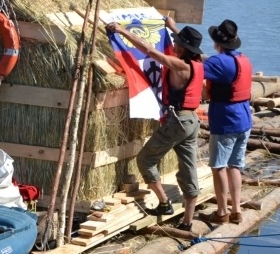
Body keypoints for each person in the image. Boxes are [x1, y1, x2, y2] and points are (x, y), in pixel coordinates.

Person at [108, 18, 204, 231]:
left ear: (184, 48)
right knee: (188, 170)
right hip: (191, 121)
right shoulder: (199, 64)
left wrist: (123, 31)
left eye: (177, 42)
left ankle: (164, 204)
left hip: (177, 121)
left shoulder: (180, 65)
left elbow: (151, 52)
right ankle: (187, 222)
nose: (174, 44)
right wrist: (173, 28)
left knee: (145, 159)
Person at [201, 20, 253, 225]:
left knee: (219, 166)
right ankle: (237, 210)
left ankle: (221, 212)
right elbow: (204, 60)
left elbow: (194, 68)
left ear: (217, 42)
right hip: (244, 119)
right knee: (235, 166)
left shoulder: (218, 62)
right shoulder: (244, 60)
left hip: (225, 120)